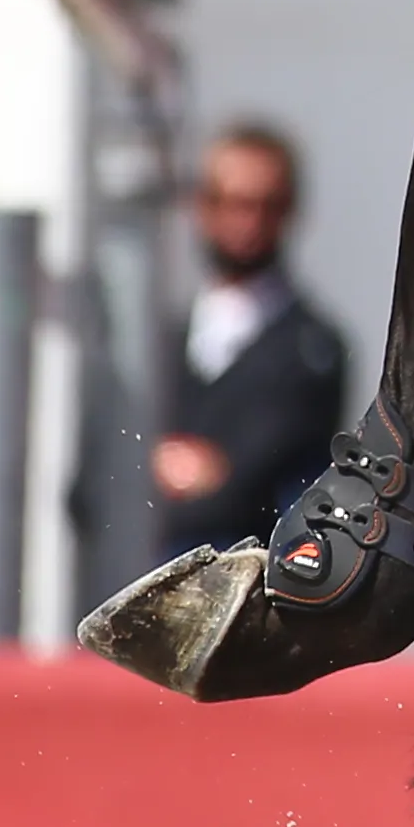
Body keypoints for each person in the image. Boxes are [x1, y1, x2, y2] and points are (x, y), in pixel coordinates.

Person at [148, 123, 346, 560]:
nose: (248, 223)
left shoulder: (312, 349)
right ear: (202, 206)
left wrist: (203, 474)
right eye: (232, 202)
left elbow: (257, 475)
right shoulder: (159, 342)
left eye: (266, 206)